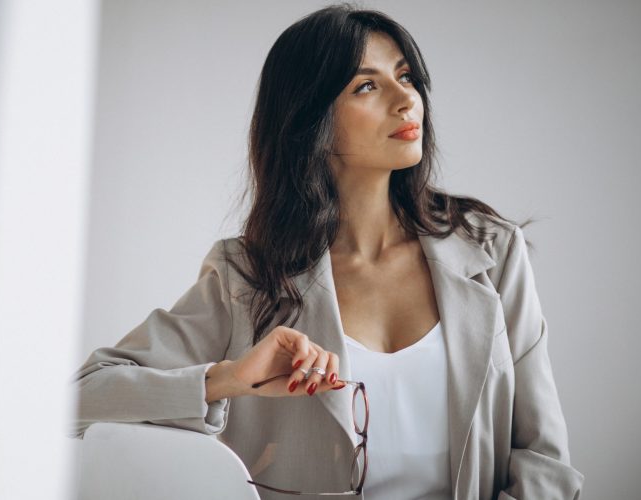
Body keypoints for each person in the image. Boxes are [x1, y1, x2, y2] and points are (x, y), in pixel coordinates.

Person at [69, 3, 585, 499]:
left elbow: (543, 457)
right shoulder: (246, 278)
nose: (406, 101)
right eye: (367, 86)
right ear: (309, 120)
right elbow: (81, 397)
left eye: (405, 77)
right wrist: (227, 379)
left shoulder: (491, 250)